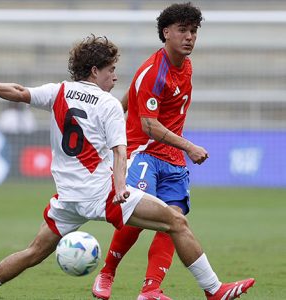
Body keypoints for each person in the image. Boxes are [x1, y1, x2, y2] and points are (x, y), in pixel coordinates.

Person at [0, 35, 254, 300]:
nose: (115, 77)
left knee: (32, 252)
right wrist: (120, 187)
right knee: (177, 222)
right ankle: (214, 290)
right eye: (111, 70)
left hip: (68, 199)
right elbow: (119, 151)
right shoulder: (108, 104)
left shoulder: (58, 91)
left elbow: (19, 92)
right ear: (94, 71)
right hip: (102, 195)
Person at [92, 3, 253, 300]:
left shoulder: (185, 66)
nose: (189, 37)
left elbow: (130, 96)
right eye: (183, 30)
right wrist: (189, 146)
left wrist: (117, 111)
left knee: (173, 223)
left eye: (193, 31)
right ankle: (107, 272)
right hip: (144, 152)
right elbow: (150, 126)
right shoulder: (154, 71)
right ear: (166, 33)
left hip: (173, 159)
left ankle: (151, 289)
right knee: (139, 215)